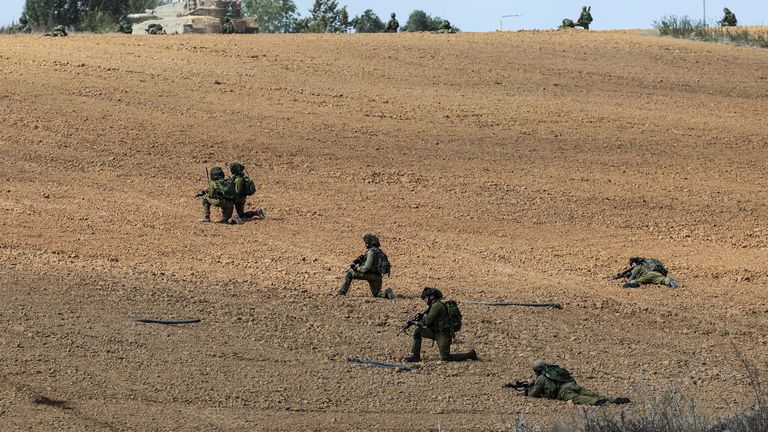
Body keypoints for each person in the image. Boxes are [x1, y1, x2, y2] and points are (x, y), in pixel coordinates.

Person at [403, 287, 478, 363]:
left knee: (446, 358)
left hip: (443, 334)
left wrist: (416, 323)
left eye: (425, 298)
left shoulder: (437, 306)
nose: (425, 300)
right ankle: (415, 356)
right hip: (434, 331)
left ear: (431, 296)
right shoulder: (432, 306)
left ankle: (469, 355)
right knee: (418, 331)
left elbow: (428, 321)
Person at [522, 360, 630, 405]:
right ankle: (614, 399)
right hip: (571, 384)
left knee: (576, 398)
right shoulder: (552, 370)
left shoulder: (541, 378)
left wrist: (531, 385)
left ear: (537, 370)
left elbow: (534, 394)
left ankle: (595, 402)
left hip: (563, 391)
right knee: (592, 393)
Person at [337, 234, 393, 299]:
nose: (365, 244)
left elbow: (367, 267)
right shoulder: (379, 252)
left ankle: (341, 292)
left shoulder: (371, 252)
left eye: (366, 242)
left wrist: (357, 268)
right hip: (378, 277)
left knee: (349, 273)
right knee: (376, 293)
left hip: (370, 275)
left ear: (371, 243)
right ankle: (387, 293)